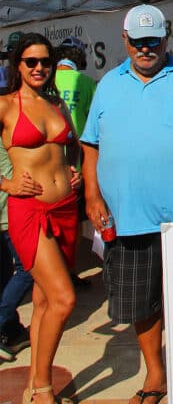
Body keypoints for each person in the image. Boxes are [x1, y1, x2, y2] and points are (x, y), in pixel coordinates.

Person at [81, 4, 173, 404]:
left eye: (154, 40)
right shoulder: (107, 85)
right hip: (127, 218)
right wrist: (92, 195)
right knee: (141, 306)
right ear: (125, 40)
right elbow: (90, 145)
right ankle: (156, 377)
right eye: (138, 41)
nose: (146, 48)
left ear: (166, 39)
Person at [0, 33, 82, 403]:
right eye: (30, 62)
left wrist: (74, 170)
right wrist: (7, 184)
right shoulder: (4, 105)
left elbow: (73, 149)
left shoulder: (57, 105)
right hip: (29, 211)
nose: (39, 68)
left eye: (45, 62)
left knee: (45, 301)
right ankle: (44, 390)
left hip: (65, 208)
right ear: (17, 65)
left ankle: (34, 380)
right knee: (64, 299)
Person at [55, 36, 97, 290]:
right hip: (76, 159)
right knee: (73, 221)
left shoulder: (46, 81)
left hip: (45, 159)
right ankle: (67, 272)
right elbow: (95, 123)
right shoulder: (86, 82)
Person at [0, 144, 33, 361]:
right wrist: (7, 184)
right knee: (29, 269)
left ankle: (12, 331)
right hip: (9, 211)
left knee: (4, 273)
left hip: (11, 210)